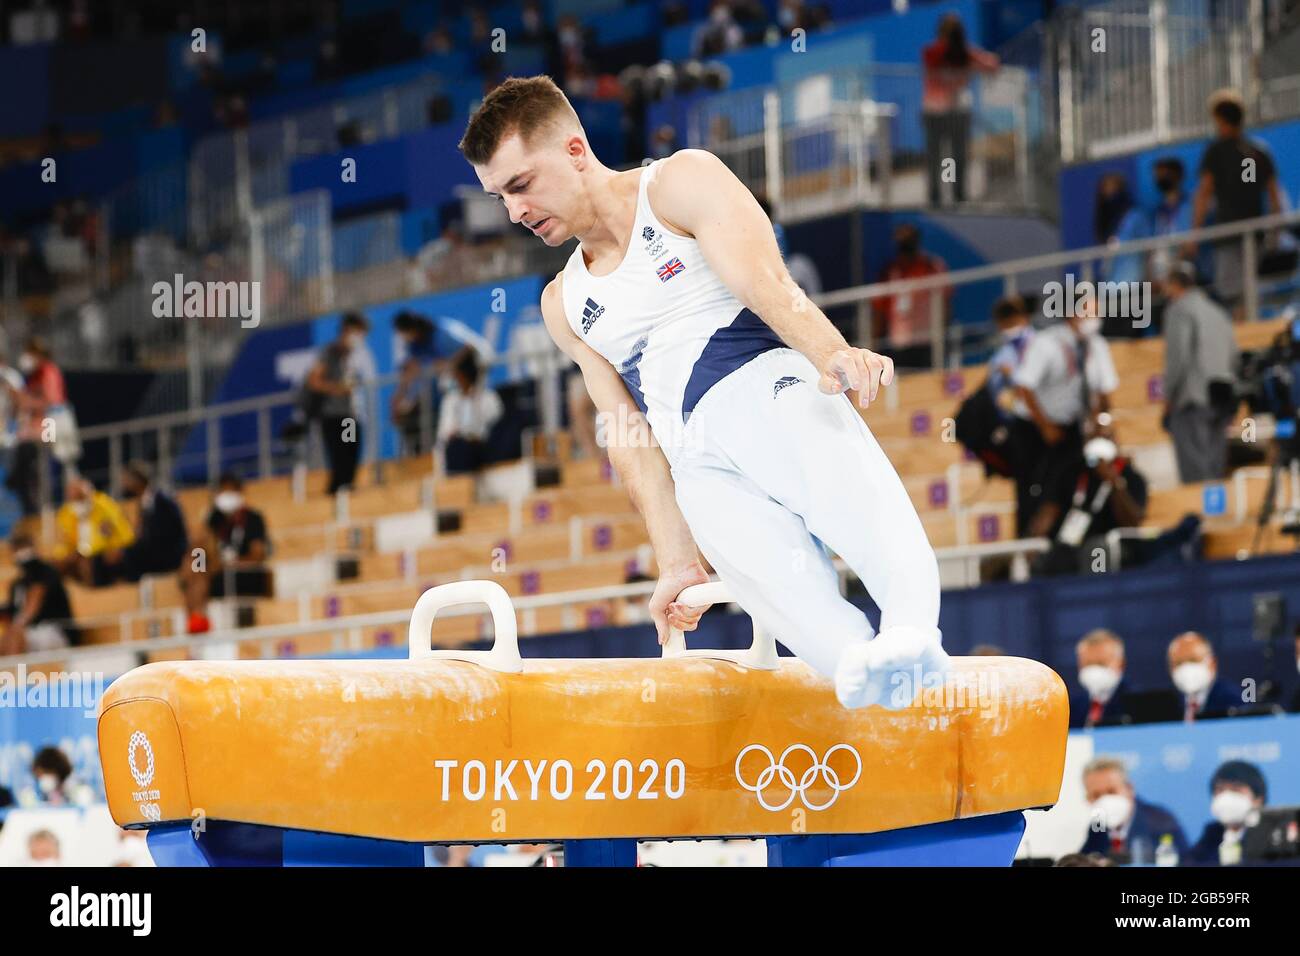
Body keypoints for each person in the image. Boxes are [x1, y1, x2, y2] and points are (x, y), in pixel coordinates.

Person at [460, 76, 945, 709]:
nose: (515, 212)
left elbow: (762, 278)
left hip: (766, 389)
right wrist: (675, 559)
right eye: (499, 197)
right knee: (767, 577)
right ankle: (858, 664)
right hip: (696, 461)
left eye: (520, 185)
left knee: (853, 497)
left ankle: (912, 634)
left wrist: (832, 352)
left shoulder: (678, 183)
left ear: (576, 149)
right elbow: (628, 437)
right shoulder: (564, 303)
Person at [1011, 302, 1119, 538]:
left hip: (1071, 426)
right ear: (1073, 313)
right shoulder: (1047, 343)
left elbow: (1104, 391)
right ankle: (1027, 548)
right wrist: (1045, 426)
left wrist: (1102, 421)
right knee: (1033, 489)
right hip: (1033, 428)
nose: (1095, 317)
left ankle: (1060, 546)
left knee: (1065, 483)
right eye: (1089, 311)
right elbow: (1024, 387)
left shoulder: (1096, 346)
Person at [1186, 89, 1283, 313]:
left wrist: (1195, 235)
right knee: (1248, 290)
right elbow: (1274, 196)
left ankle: (1241, 338)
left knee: (1232, 294)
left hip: (1229, 234)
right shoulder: (1258, 151)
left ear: (1220, 119)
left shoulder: (1216, 151)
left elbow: (1204, 194)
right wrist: (1275, 232)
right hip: (1255, 234)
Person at [1029, 416, 1148, 575]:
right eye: (1093, 437)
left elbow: (1132, 522)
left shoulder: (1129, 477)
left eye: (1105, 437)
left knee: (1097, 551)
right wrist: (1035, 539)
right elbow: (1049, 511)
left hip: (1108, 544)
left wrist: (1114, 484)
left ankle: (1095, 594)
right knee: (1053, 558)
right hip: (1071, 543)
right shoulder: (1071, 471)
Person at [1161, 260, 1240, 483]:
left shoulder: (1179, 309)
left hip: (1193, 398)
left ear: (1175, 284)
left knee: (1196, 474)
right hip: (1221, 395)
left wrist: (1169, 395)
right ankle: (1215, 516)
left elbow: (1179, 356)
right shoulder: (1217, 311)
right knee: (1214, 468)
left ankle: (1201, 516)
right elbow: (1234, 355)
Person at [920, 12, 998, 208]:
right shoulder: (932, 52)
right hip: (935, 112)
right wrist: (958, 51)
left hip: (958, 112)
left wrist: (967, 54)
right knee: (936, 158)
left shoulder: (965, 53)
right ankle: (936, 198)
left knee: (957, 157)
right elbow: (932, 57)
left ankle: (958, 196)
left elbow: (992, 64)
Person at [183, 473, 271, 634]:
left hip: (244, 573)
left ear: (239, 493)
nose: (226, 496)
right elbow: (199, 548)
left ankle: (197, 618)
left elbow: (258, 555)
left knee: (199, 578)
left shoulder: (253, 518)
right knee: (195, 561)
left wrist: (232, 564)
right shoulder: (216, 520)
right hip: (218, 572)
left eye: (230, 492)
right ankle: (196, 619)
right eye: (222, 492)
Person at [5, 337, 74, 516]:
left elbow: (50, 401)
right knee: (31, 462)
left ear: (37, 354)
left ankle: (49, 506)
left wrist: (23, 400)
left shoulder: (48, 371)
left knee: (46, 462)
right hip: (38, 426)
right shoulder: (34, 375)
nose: (25, 357)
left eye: (30, 353)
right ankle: (29, 499)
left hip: (53, 423)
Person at [1079, 756, 1188, 864]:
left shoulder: (1161, 821)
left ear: (1130, 788)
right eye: (1096, 795)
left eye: (1111, 791)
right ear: (1088, 799)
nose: (1105, 800)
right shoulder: (1098, 827)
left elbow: (1185, 862)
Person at [305, 313, 368, 494]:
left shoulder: (352, 356)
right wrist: (338, 389)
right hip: (335, 415)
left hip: (349, 414)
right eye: (358, 333)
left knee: (351, 451)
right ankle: (337, 491)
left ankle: (345, 487)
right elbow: (314, 380)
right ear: (347, 331)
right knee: (340, 455)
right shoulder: (330, 352)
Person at [873, 223, 949, 369]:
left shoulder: (932, 266)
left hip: (927, 339)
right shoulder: (890, 271)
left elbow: (945, 301)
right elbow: (879, 310)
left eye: (908, 240)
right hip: (899, 342)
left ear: (916, 241)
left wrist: (943, 332)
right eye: (901, 241)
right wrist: (875, 344)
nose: (904, 245)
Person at [99, 460, 188, 582]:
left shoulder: (162, 500)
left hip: (168, 552)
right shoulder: (144, 501)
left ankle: (132, 589)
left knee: (127, 555)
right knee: (104, 557)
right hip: (153, 548)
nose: (124, 482)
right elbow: (140, 534)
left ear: (138, 480)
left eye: (127, 479)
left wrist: (127, 548)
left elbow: (163, 533)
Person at [0, 532, 75, 655]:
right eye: (17, 548)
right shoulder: (17, 584)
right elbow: (11, 610)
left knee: (15, 636)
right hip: (30, 632)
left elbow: (33, 603)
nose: (21, 553)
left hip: (54, 630)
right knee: (6, 637)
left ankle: (16, 673)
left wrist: (17, 626)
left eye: (23, 547)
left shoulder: (46, 573)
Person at [52, 476, 135, 587]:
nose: (76, 502)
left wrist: (88, 552)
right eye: (73, 499)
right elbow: (63, 541)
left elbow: (117, 534)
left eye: (80, 497)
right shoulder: (66, 513)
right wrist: (64, 555)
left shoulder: (104, 505)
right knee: (56, 565)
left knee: (89, 562)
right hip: (79, 552)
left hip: (104, 550)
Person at [436, 348, 504, 476]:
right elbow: (444, 433)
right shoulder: (451, 401)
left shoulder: (489, 398)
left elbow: (494, 430)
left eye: (458, 375)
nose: (457, 379)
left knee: (467, 447)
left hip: (481, 450)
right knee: (457, 448)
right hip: (457, 450)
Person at [1186, 761, 1267, 865]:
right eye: (1220, 790)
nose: (1227, 796)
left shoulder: (1271, 835)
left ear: (1258, 799)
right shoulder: (1213, 834)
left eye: (1236, 789)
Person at [1069, 629, 1136, 729]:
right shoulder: (1071, 707)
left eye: (1101, 663)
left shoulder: (1137, 705)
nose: (1094, 670)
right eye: (1088, 663)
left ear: (1121, 664)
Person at [1165, 631, 1240, 721]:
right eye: (1178, 663)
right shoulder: (1166, 706)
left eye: (1193, 660)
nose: (1186, 668)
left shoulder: (1233, 700)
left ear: (1212, 664)